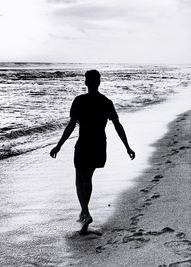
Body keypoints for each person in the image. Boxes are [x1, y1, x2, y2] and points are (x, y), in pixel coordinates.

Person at [50, 70, 135, 235]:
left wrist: (59, 145)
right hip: (99, 146)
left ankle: (85, 212)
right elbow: (118, 126)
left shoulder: (79, 100)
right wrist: (127, 147)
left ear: (86, 83)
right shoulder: (106, 102)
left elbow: (71, 125)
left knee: (79, 181)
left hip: (84, 144)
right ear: (99, 82)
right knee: (87, 179)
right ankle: (84, 213)